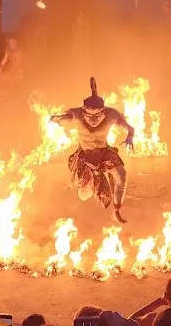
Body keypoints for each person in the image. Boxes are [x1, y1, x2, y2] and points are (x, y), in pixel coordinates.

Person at [52, 77, 135, 224]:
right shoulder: (76, 115)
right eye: (89, 115)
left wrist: (130, 137)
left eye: (97, 115)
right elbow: (61, 119)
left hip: (104, 154)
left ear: (103, 110)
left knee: (121, 175)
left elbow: (130, 128)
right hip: (85, 157)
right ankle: (90, 190)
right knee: (84, 195)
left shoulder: (112, 115)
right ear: (83, 110)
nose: (93, 119)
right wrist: (58, 119)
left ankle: (116, 210)